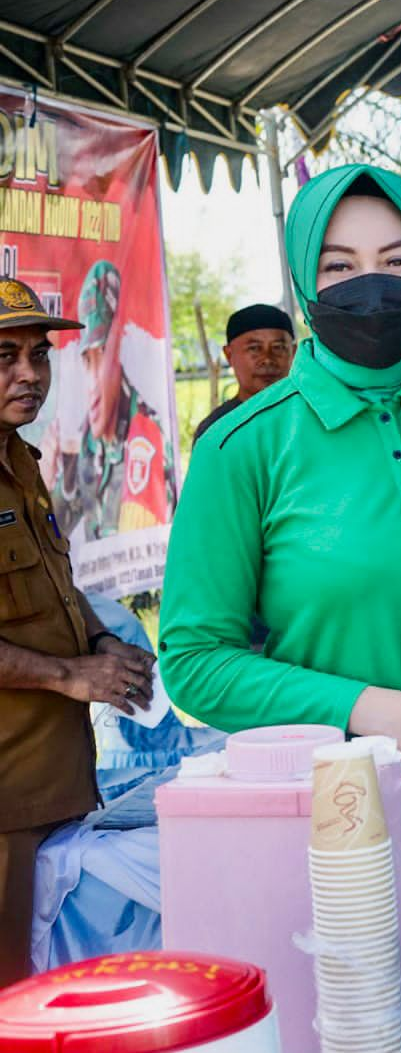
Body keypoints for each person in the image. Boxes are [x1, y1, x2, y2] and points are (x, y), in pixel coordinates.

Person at [159, 165, 401, 1049]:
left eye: (398, 260)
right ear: (300, 280)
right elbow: (195, 659)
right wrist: (377, 715)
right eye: (339, 266)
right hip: (334, 861)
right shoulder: (246, 447)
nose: (373, 285)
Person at [0, 277, 154, 986]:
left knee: (43, 988)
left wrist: (99, 643)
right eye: (5, 356)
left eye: (38, 354)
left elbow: (55, 587)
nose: (29, 374)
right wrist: (69, 675)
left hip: (54, 784)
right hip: (7, 799)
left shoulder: (21, 462)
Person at [52, 260, 176, 538]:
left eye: (102, 354)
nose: (93, 382)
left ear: (119, 353)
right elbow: (50, 529)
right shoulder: (87, 441)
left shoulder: (146, 436)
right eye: (86, 360)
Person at [193, 304, 296, 441]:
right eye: (254, 348)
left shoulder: (314, 417)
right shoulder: (215, 430)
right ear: (229, 355)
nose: (267, 359)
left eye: (278, 347)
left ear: (294, 352)